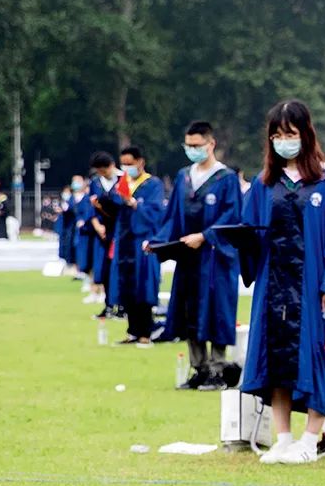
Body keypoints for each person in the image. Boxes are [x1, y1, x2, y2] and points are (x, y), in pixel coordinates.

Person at [238, 100, 325, 465]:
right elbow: (249, 232)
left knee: (317, 358)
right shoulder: (264, 186)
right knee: (274, 360)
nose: (283, 141)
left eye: (290, 134)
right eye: (276, 135)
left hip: (313, 291)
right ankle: (284, 438)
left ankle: (310, 438)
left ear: (305, 135)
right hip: (273, 289)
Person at [153, 121, 242, 388]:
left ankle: (217, 369)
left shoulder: (225, 179)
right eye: (188, 146)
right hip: (188, 259)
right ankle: (199, 369)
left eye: (197, 146)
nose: (192, 150)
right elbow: (172, 218)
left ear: (210, 144)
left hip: (216, 259)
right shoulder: (184, 176)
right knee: (189, 312)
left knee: (216, 312)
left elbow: (233, 218)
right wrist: (158, 242)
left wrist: (205, 236)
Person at [111, 147, 164, 345]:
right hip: (124, 241)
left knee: (144, 286)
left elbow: (156, 212)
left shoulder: (152, 184)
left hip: (142, 241)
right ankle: (132, 331)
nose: (126, 168)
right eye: (123, 164)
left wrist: (135, 204)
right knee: (126, 286)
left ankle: (146, 332)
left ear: (140, 162)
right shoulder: (122, 183)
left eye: (130, 164)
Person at [87, 152, 122, 320]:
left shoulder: (123, 180)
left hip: (121, 231)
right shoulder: (95, 183)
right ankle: (108, 304)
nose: (102, 174)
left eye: (104, 171)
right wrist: (97, 225)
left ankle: (122, 306)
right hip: (103, 232)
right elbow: (91, 209)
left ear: (112, 165)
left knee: (120, 269)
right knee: (105, 269)